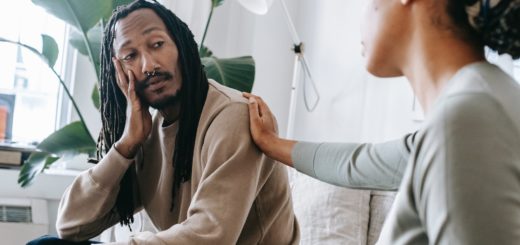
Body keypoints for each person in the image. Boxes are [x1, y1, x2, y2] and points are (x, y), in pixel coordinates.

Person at [244, 0, 520, 244]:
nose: (363, 14)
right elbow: (359, 163)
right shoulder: (479, 103)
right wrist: (271, 142)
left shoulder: (466, 121)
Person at [28, 0, 299, 244]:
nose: (148, 65)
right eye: (130, 56)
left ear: (181, 45)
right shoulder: (147, 133)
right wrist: (125, 146)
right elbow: (71, 225)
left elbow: (211, 236)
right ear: (120, 73)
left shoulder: (233, 116)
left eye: (157, 44)